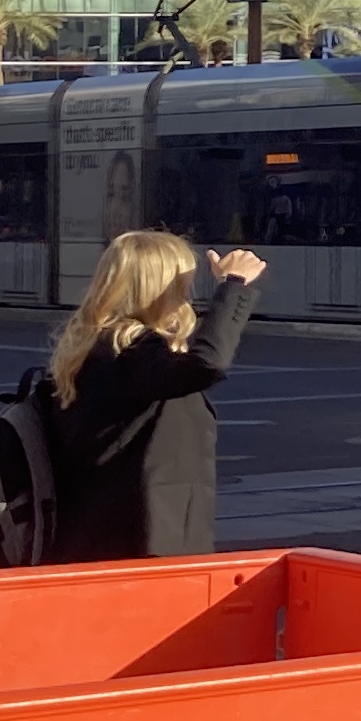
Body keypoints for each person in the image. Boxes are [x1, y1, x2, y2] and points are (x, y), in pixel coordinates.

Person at [42, 229, 266, 559]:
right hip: (144, 542)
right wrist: (233, 286)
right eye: (181, 286)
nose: (187, 297)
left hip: (97, 535)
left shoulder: (92, 347)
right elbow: (208, 363)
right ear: (158, 289)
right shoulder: (132, 352)